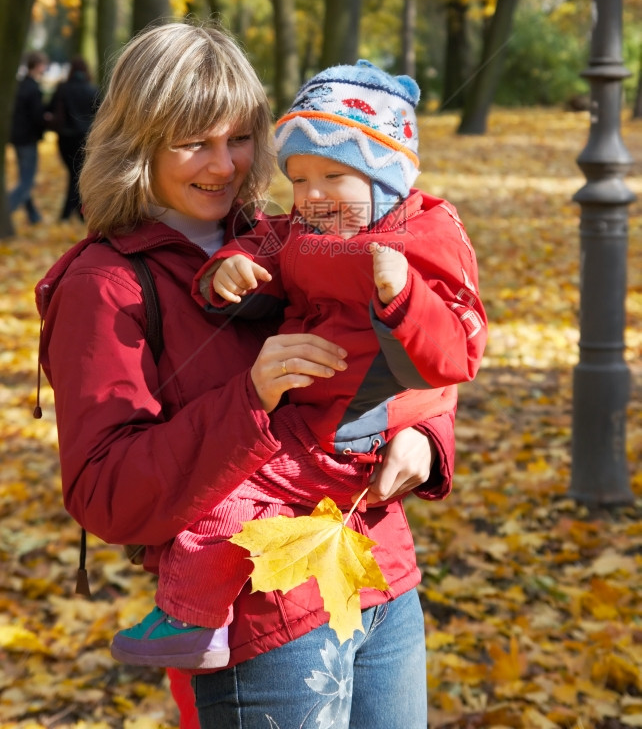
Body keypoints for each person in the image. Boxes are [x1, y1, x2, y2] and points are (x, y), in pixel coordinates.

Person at [35, 21, 454, 729]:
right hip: (255, 623)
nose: (224, 166)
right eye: (193, 142)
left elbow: (404, 342)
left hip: (379, 576)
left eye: (239, 139)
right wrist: (250, 397)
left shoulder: (297, 230)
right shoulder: (104, 285)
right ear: (137, 142)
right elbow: (106, 494)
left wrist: (427, 436)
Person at [111, 60, 487, 679]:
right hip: (317, 423)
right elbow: (268, 248)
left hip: (345, 432)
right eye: (299, 179)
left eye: (333, 176)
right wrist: (223, 272)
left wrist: (402, 297)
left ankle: (191, 617)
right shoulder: (306, 227)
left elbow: (454, 355)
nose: (311, 197)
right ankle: (195, 617)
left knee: (229, 501)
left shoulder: (420, 243)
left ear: (386, 177)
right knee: (233, 497)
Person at [48, 55, 101, 221]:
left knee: (74, 174)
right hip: (84, 139)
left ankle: (73, 213)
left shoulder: (62, 89)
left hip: (64, 138)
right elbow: (100, 114)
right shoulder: (92, 90)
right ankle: (73, 213)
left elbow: (50, 108)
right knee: (76, 174)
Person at [8, 50, 49, 224]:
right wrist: (47, 119)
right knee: (26, 182)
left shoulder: (20, 85)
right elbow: (36, 117)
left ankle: (34, 216)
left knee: (25, 178)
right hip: (28, 140)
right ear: (38, 65)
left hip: (18, 138)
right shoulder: (33, 88)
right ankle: (5, 210)